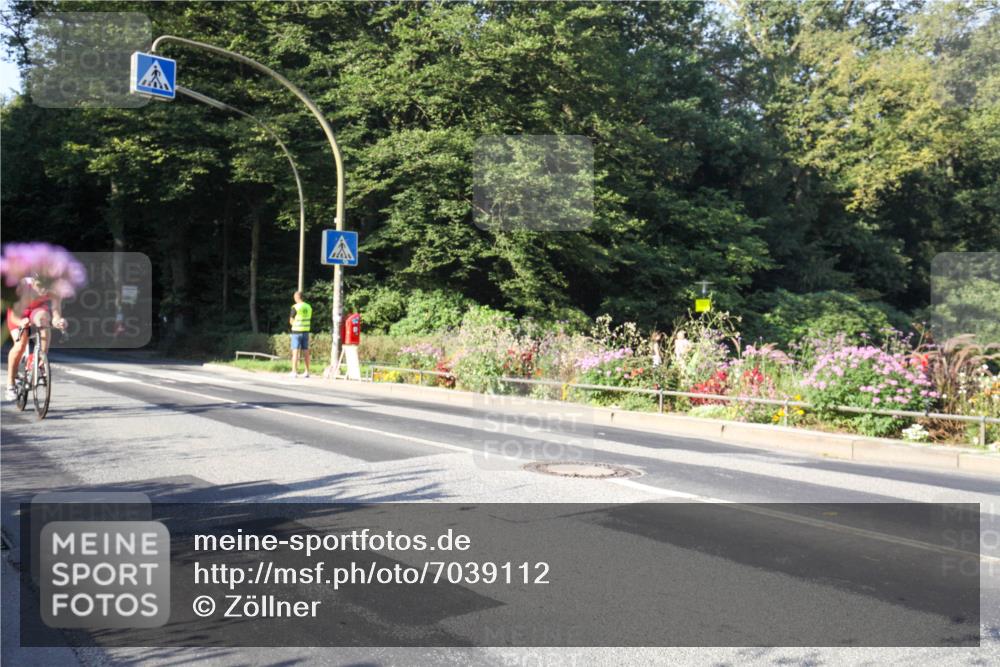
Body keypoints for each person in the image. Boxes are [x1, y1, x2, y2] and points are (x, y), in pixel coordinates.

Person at [6, 276, 66, 400]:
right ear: (32, 282)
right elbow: (14, 316)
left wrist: (59, 321)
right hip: (18, 313)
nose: (43, 290)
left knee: (44, 319)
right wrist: (21, 322)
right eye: (40, 286)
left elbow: (55, 315)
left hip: (37, 311)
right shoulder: (22, 287)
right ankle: (10, 384)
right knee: (20, 345)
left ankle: (40, 359)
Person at [288, 291, 312, 378]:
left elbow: (291, 320)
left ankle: (294, 372)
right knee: (306, 351)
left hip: (296, 331)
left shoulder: (295, 307)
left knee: (295, 352)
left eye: (294, 297)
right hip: (306, 331)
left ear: (297, 297)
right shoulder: (308, 307)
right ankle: (307, 372)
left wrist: (294, 325)